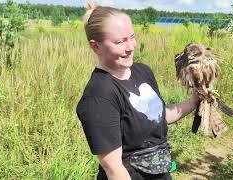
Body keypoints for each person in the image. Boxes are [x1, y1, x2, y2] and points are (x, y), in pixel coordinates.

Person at [76, 2, 199, 180]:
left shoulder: (142, 71)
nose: (131, 47)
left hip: (161, 173)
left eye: (131, 37)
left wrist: (196, 99)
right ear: (95, 46)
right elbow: (114, 168)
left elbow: (157, 117)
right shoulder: (99, 95)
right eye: (120, 41)